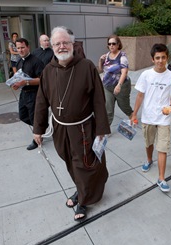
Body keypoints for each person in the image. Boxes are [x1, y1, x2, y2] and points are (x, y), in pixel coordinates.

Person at [32, 26, 110, 222]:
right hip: (59, 128)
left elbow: (99, 100)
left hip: (83, 128)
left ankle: (84, 199)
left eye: (65, 42)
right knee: (70, 161)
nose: (61, 46)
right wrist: (38, 129)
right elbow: (41, 101)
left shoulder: (87, 66)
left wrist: (101, 128)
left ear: (72, 44)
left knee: (83, 164)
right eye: (57, 43)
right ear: (51, 46)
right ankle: (81, 189)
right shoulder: (49, 71)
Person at [131, 43, 171, 193]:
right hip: (148, 117)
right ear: (152, 59)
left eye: (163, 57)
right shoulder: (146, 75)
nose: (160, 60)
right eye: (157, 58)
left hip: (164, 118)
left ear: (167, 58)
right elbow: (140, 95)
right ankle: (148, 160)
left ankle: (161, 178)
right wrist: (134, 113)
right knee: (149, 143)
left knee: (162, 148)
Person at [11, 38, 44, 150]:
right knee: (23, 116)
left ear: (28, 47)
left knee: (33, 117)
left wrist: (26, 82)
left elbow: (43, 80)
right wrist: (16, 84)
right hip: (23, 93)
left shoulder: (36, 61)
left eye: (22, 47)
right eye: (18, 48)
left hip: (34, 94)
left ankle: (37, 139)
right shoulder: (19, 61)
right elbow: (18, 78)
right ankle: (40, 127)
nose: (20, 50)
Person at [98, 35, 133, 126]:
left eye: (113, 43)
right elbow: (102, 69)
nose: (111, 46)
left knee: (124, 106)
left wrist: (119, 85)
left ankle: (132, 116)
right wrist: (100, 60)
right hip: (107, 86)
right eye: (109, 44)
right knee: (108, 108)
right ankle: (106, 128)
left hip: (121, 86)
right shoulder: (106, 56)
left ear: (118, 44)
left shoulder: (122, 57)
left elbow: (124, 72)